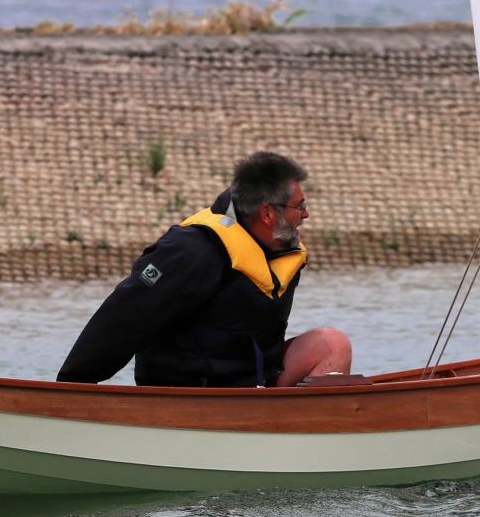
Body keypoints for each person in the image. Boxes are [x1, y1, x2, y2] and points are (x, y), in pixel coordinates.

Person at [57, 151, 352, 387]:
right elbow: (122, 319)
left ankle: (299, 439)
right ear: (267, 213)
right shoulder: (191, 251)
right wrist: (73, 385)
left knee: (332, 343)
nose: (306, 214)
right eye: (299, 207)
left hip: (250, 388)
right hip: (189, 396)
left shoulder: (280, 249)